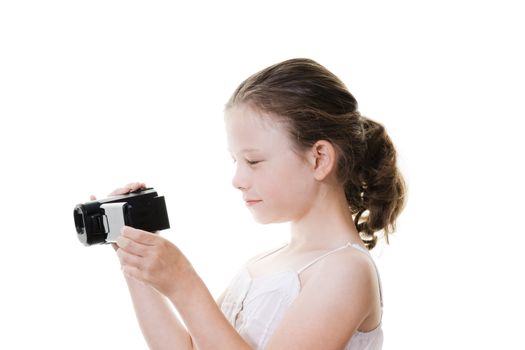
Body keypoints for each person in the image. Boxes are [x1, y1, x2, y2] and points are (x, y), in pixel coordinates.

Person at [90, 58, 406, 349]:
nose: (238, 179)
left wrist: (185, 284)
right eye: (235, 160)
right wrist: (135, 262)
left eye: (253, 161)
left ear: (319, 158)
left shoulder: (346, 270)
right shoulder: (264, 264)